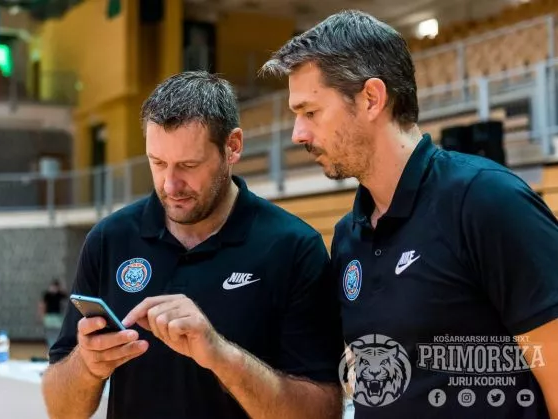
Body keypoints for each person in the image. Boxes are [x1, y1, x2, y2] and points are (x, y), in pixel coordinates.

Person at [261, 9, 558, 419]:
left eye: (310, 112)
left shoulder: (486, 200)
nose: (298, 134)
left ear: (371, 99)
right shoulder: (348, 235)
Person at [41, 71, 344, 419]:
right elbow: (60, 408)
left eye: (188, 165)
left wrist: (221, 355)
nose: (171, 184)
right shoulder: (109, 239)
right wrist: (87, 365)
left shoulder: (293, 247)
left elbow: (323, 412)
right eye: (158, 163)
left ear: (233, 146)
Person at [39, 278, 69, 350]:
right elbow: (42, 305)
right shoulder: (47, 295)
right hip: (49, 316)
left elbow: (66, 295)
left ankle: (56, 347)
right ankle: (50, 347)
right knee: (49, 333)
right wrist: (42, 315)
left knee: (58, 333)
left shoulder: (59, 294)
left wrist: (62, 287)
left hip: (57, 316)